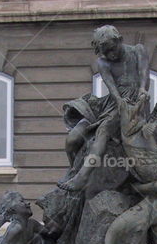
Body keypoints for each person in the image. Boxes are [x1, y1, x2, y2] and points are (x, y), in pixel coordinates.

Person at [58, 25, 150, 192]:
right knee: (73, 138)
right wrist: (120, 101)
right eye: (106, 52)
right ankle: (74, 171)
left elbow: (144, 75)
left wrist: (142, 90)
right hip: (113, 103)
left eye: (112, 49)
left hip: (135, 103)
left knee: (104, 129)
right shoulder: (103, 62)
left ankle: (83, 176)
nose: (110, 55)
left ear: (119, 40)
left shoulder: (138, 50)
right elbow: (112, 88)